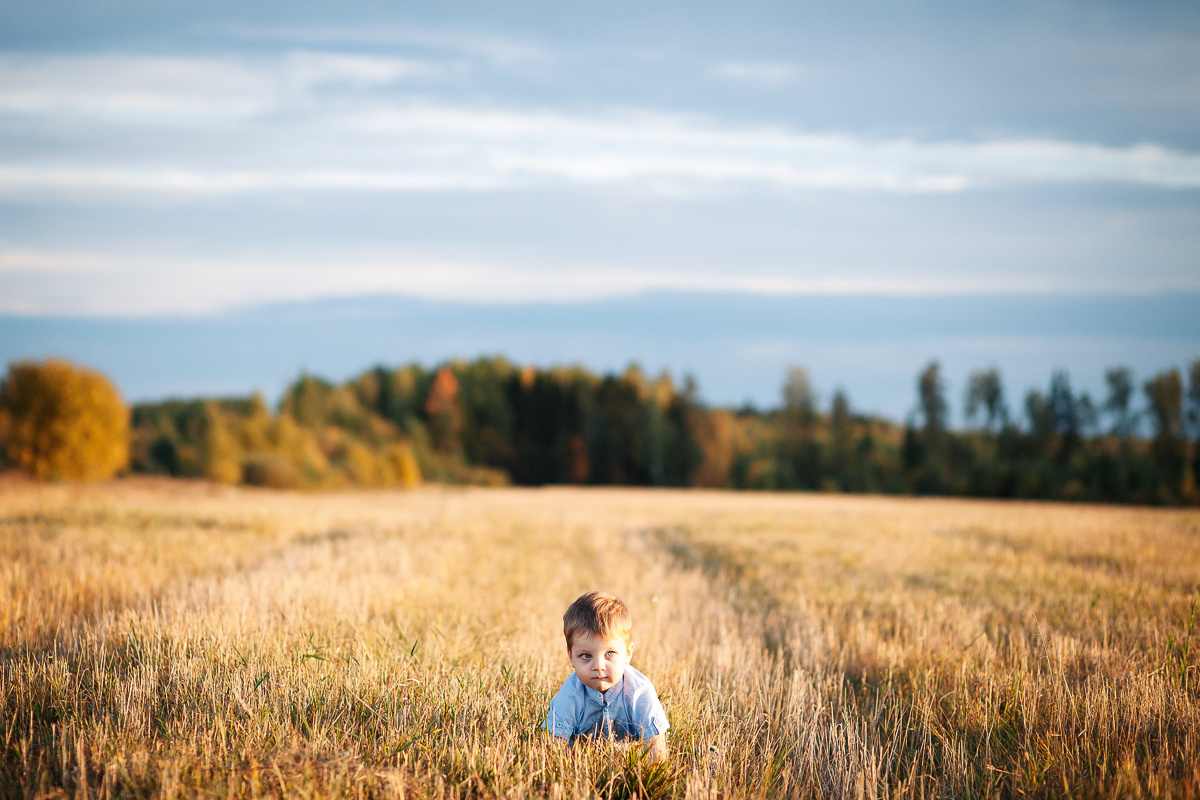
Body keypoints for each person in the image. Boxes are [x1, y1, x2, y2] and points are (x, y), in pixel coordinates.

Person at [544, 590, 669, 761]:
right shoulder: (570, 695)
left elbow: (656, 750)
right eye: (586, 656)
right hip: (582, 759)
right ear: (571, 657)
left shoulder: (640, 692)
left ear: (627, 653)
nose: (598, 666)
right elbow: (554, 751)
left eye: (609, 654)